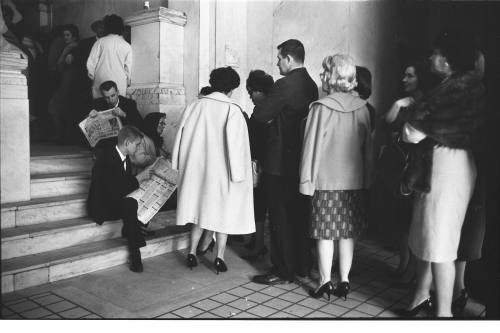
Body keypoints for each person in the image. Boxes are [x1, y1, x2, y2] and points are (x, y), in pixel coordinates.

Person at [396, 31, 485, 317]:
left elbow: (412, 132)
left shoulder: (452, 90)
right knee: (432, 234)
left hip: (445, 166)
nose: (431, 58)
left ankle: (443, 314)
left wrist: (407, 126)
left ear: (447, 61)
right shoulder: (467, 86)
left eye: (436, 53)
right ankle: (421, 297)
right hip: (453, 164)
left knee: (440, 240)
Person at [300, 54, 372, 300]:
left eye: (324, 71)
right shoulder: (363, 109)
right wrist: (367, 180)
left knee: (325, 233)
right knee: (347, 233)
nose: (321, 76)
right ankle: (345, 280)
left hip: (325, 182)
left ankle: (324, 281)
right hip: (354, 181)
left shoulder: (321, 108)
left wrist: (306, 181)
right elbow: (368, 150)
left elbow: (311, 148)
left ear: (332, 76)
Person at [172, 67, 255, 274]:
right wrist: (240, 175)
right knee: (222, 216)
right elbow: (238, 148)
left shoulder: (195, 106)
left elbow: (180, 137)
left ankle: (191, 252)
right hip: (223, 174)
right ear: (232, 88)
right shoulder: (233, 110)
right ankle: (219, 257)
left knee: (199, 213)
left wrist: (178, 163)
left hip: (197, 171)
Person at [251, 39, 318, 285]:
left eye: (279, 58)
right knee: (299, 217)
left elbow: (260, 115)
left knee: (279, 219)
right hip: (299, 160)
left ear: (289, 59)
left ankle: (282, 270)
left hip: (278, 162)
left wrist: (271, 117)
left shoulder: (284, 84)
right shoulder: (311, 84)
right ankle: (301, 265)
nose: (277, 62)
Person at [383, 59, 426, 286]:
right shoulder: (405, 102)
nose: (404, 79)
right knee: (401, 221)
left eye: (410, 76)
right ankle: (403, 265)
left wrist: (399, 135)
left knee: (410, 222)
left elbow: (410, 137)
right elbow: (386, 122)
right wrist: (399, 103)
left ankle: (410, 270)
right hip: (399, 168)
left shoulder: (424, 103)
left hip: (413, 171)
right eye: (404, 75)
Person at [87, 126, 153, 272]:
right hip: (103, 204)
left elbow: (124, 184)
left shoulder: (125, 157)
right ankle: (135, 253)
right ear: (127, 143)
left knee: (143, 197)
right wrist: (140, 178)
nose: (138, 148)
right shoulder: (106, 157)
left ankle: (135, 228)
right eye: (137, 144)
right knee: (130, 204)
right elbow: (115, 190)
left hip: (116, 199)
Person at [241, 70, 274, 261]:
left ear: (262, 91)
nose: (251, 96)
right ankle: (257, 240)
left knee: (259, 206)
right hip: (260, 164)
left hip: (261, 165)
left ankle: (259, 245)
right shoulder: (265, 111)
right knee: (257, 205)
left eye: (252, 91)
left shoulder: (264, 112)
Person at [47, 24, 84, 143]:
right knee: (60, 108)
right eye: (64, 35)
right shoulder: (69, 47)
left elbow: (61, 66)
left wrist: (64, 54)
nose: (65, 37)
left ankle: (63, 136)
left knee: (57, 107)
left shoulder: (74, 48)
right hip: (66, 82)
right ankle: (63, 136)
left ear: (74, 36)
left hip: (69, 82)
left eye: (68, 35)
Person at [87, 14, 132, 98]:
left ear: (106, 27)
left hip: (101, 80)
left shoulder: (100, 42)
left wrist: (93, 77)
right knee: (117, 106)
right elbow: (128, 68)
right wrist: (127, 82)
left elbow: (91, 64)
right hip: (119, 81)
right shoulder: (126, 45)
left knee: (100, 106)